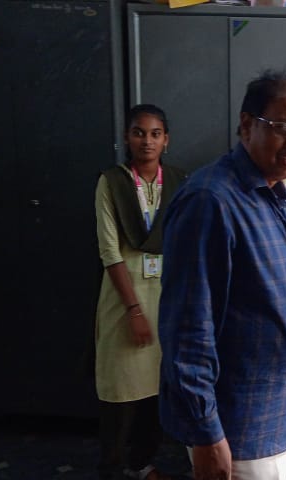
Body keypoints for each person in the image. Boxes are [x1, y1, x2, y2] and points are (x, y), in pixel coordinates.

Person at [158, 70, 286, 480]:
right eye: (283, 126)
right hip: (239, 431)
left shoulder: (271, 194)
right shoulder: (211, 200)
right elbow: (188, 329)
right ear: (247, 125)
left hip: (279, 417)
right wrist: (206, 434)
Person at [94, 104, 187, 480]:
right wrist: (133, 310)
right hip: (123, 299)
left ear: (166, 140)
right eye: (139, 132)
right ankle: (112, 465)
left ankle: (141, 463)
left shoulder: (180, 181)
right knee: (120, 389)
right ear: (126, 137)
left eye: (155, 134)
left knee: (155, 389)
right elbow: (109, 251)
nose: (147, 141)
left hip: (165, 297)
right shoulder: (111, 182)